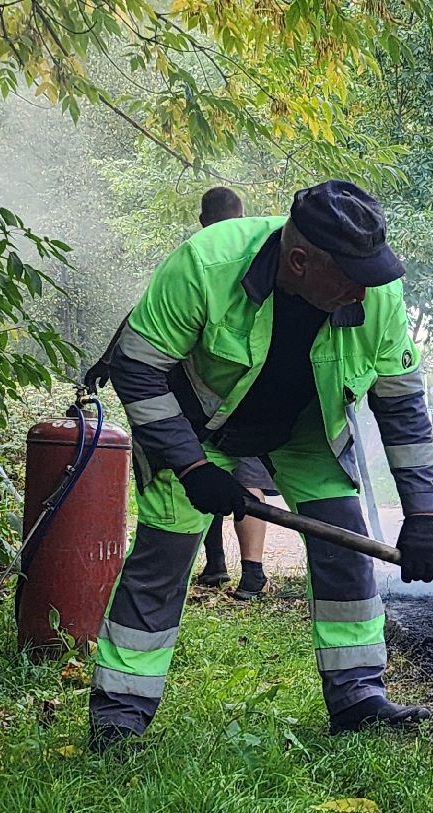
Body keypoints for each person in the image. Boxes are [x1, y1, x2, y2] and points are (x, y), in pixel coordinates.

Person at [87, 180, 433, 751]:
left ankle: (358, 697)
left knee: (346, 547)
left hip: (304, 432)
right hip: (197, 429)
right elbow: (136, 369)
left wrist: (422, 517)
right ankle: (120, 715)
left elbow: (401, 409)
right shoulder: (206, 265)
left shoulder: (374, 292)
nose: (366, 289)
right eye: (353, 276)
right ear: (299, 261)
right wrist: (190, 467)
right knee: (166, 553)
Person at [191, 186, 279, 600]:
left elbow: (143, 314)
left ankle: (218, 564)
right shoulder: (263, 249)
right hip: (253, 391)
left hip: (213, 394)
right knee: (244, 480)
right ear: (243, 215)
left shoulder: (201, 254)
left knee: (202, 472)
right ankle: (248, 571)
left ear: (202, 221)